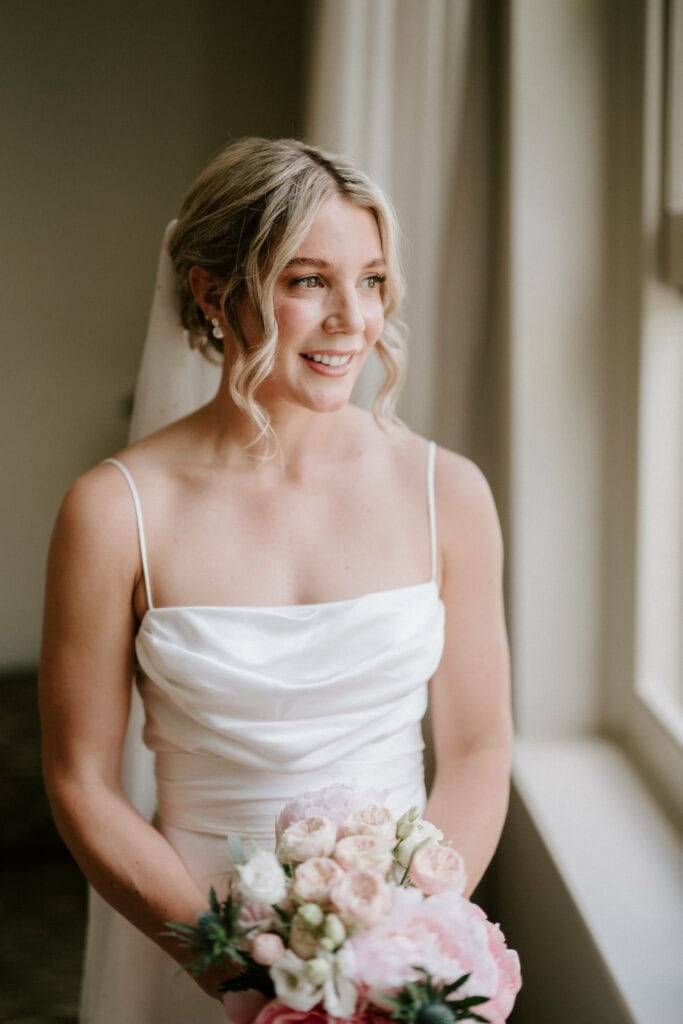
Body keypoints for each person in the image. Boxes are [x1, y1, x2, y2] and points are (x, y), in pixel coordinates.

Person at [38, 137, 513, 1024]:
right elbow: (79, 782)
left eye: (371, 280)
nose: (352, 320)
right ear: (214, 293)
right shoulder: (111, 512)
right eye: (307, 281)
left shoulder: (448, 491)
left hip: (399, 962)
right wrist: (247, 979)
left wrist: (395, 946)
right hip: (193, 944)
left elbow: (481, 750)